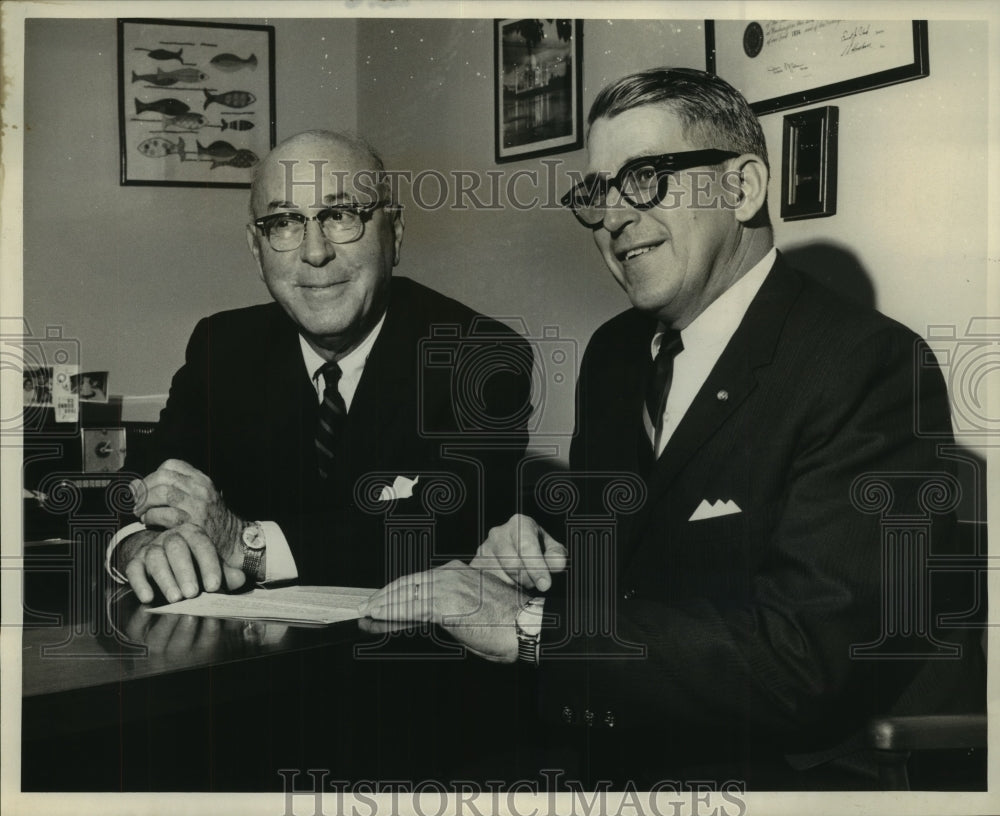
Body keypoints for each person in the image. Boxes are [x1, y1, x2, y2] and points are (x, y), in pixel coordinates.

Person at [360, 68, 984, 789]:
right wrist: (538, 554)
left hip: (789, 769)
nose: (614, 217)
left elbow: (804, 659)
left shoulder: (871, 366)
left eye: (647, 176)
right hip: (627, 740)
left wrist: (532, 630)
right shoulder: (614, 355)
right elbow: (626, 571)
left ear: (743, 187)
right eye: (596, 193)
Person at [107, 129, 530, 603]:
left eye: (341, 215)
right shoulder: (221, 346)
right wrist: (137, 544)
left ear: (395, 233)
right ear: (256, 248)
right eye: (285, 222)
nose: (315, 252)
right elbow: (140, 484)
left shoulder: (482, 354)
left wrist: (241, 541)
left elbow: (447, 529)